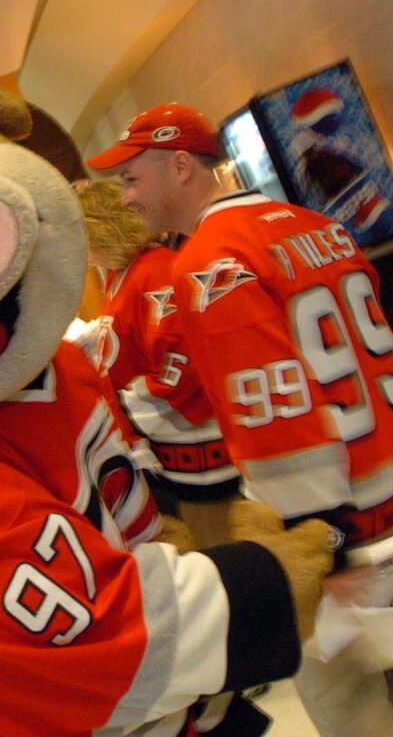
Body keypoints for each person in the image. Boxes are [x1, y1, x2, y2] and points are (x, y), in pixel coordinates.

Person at [88, 102, 393, 735]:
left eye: (133, 180)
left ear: (180, 166)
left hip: (347, 512)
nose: (129, 200)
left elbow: (274, 406)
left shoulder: (208, 264)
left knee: (338, 694)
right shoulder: (312, 223)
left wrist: (313, 536)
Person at [75, 179, 241, 539]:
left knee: (218, 541)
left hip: (198, 458)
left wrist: (128, 405)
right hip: (171, 455)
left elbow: (181, 362)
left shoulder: (155, 271)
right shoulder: (124, 273)